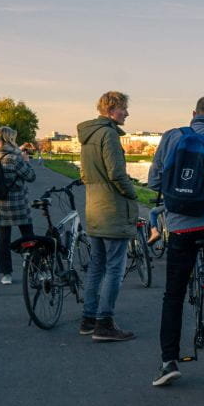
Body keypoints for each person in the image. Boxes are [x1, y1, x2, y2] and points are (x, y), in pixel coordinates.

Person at [147, 96, 204, 386]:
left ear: (193, 114)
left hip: (181, 228)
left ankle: (168, 361)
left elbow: (154, 182)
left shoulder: (172, 137)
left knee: (173, 295)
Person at [76, 91, 138, 342]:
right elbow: (116, 173)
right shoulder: (109, 134)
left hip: (94, 208)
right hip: (113, 210)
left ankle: (88, 319)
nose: (126, 113)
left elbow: (84, 175)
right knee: (115, 268)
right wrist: (132, 194)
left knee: (96, 267)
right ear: (111, 109)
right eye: (123, 108)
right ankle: (105, 323)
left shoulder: (88, 136)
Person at [0, 126, 36, 285]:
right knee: (28, 236)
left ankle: (6, 274)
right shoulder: (16, 158)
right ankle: (36, 269)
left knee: (3, 239)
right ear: (10, 139)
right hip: (17, 202)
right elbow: (31, 177)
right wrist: (27, 162)